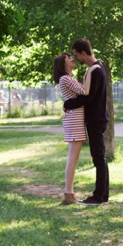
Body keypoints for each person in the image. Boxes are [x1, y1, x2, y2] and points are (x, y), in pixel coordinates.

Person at [64, 39, 114, 204]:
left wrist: (68, 104)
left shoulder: (97, 71)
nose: (76, 58)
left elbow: (88, 97)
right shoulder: (94, 70)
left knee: (98, 158)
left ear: (83, 53)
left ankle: (99, 196)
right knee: (100, 158)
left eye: (77, 55)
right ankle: (103, 195)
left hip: (96, 120)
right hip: (96, 119)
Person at [52, 52, 94, 205]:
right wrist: (91, 71)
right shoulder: (66, 79)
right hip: (74, 120)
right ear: (63, 64)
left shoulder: (68, 79)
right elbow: (84, 91)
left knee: (73, 158)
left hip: (74, 119)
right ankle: (68, 193)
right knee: (73, 159)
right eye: (69, 58)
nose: (73, 59)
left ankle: (69, 193)